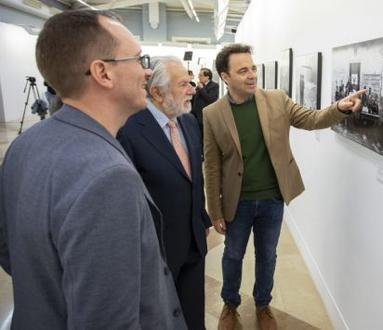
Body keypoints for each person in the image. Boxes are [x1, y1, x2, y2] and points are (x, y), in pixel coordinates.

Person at [0, 10, 186, 329]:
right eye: (139, 60)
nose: (147, 73)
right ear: (103, 72)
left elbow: (9, 251)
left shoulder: (24, 145)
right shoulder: (108, 176)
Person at [203, 43, 365, 330]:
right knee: (232, 254)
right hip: (235, 202)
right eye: (243, 70)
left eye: (252, 67)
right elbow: (212, 165)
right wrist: (214, 209)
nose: (252, 75)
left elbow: (312, 118)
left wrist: (340, 108)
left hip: (272, 199)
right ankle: (230, 304)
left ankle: (263, 304)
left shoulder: (276, 99)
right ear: (225, 76)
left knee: (268, 255)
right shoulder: (213, 113)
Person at [117, 56, 211, 330]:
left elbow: (194, 178)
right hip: (157, 248)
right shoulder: (129, 129)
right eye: (183, 84)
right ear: (156, 92)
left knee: (193, 314)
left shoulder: (189, 122)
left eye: (191, 83)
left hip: (193, 240)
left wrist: (201, 217)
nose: (192, 89)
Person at [191, 67, 219, 137]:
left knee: (205, 137)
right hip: (195, 117)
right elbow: (194, 99)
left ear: (207, 77)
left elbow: (211, 99)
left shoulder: (214, 86)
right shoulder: (199, 86)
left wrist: (202, 89)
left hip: (205, 117)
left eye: (200, 75)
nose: (198, 77)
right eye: (198, 75)